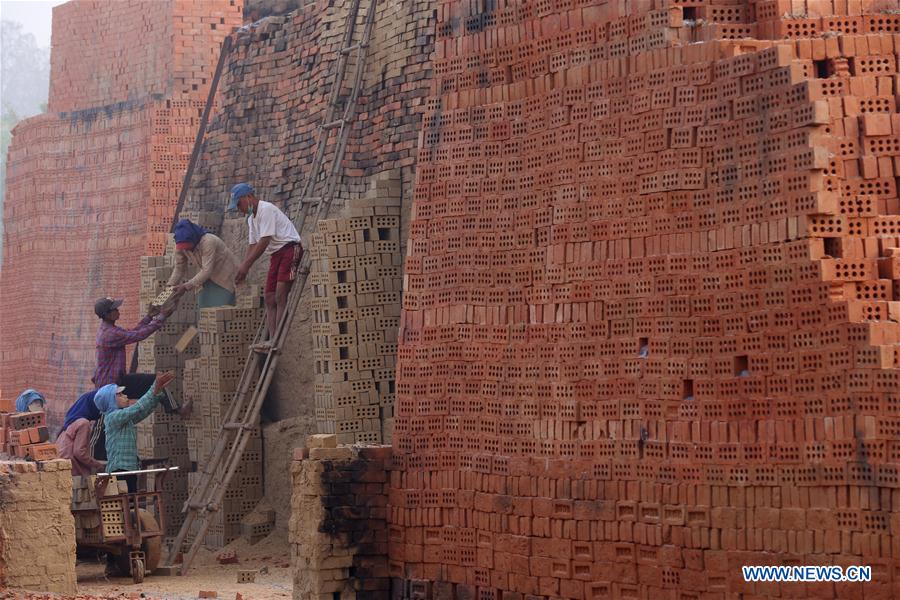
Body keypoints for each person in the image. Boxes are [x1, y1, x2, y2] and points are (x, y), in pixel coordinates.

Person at [229, 183, 303, 348]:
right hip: (276, 255)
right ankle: (272, 339)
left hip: (290, 249)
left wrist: (246, 266)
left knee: (280, 296)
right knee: (269, 298)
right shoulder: (251, 219)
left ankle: (277, 339)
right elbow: (252, 244)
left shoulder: (266, 210)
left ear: (249, 197)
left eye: (239, 204)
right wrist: (243, 268)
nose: (240, 209)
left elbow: (264, 241)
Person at [93, 373, 176, 493]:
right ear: (110, 400)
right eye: (120, 394)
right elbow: (137, 408)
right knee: (127, 504)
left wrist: (157, 392)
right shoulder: (113, 418)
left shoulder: (124, 419)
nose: (125, 396)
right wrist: (154, 388)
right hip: (119, 471)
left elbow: (144, 410)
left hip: (129, 469)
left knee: (131, 504)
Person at [93, 296, 175, 397]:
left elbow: (134, 331)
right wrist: (161, 317)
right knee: (157, 381)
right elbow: (138, 335)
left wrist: (149, 317)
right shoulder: (109, 333)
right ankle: (178, 410)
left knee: (156, 383)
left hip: (116, 381)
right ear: (107, 315)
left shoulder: (109, 329)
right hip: (110, 386)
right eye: (114, 309)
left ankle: (176, 409)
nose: (118, 310)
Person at [168, 219, 240, 309]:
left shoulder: (208, 242)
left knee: (222, 310)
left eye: (188, 247)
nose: (186, 250)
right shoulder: (180, 246)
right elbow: (179, 268)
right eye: (183, 248)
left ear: (193, 239)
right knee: (204, 312)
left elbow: (207, 270)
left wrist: (185, 286)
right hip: (206, 278)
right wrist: (170, 286)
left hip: (224, 276)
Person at [57, 387, 113, 476]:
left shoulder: (72, 421)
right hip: (72, 468)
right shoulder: (84, 423)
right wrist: (97, 465)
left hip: (64, 465)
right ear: (93, 405)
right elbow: (79, 453)